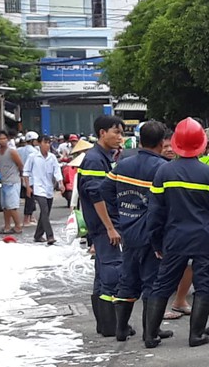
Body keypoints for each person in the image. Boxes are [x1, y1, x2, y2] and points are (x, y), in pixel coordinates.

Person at [141, 118, 209, 349]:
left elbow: (155, 213)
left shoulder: (163, 173)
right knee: (205, 286)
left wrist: (157, 242)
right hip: (206, 240)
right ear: (202, 144)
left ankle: (150, 336)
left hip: (173, 239)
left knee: (162, 285)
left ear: (176, 143)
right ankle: (196, 335)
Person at [109, 121, 175, 344]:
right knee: (152, 284)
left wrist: (117, 218)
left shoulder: (123, 164)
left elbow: (103, 190)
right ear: (160, 143)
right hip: (151, 236)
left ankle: (121, 330)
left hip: (128, 233)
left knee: (128, 281)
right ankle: (151, 333)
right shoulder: (162, 168)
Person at [75, 115, 125, 334]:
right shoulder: (95, 159)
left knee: (102, 274)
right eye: (116, 132)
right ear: (102, 133)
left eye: (122, 133)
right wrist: (109, 227)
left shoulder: (103, 157)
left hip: (102, 226)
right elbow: (97, 196)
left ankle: (105, 325)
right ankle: (111, 326)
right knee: (111, 274)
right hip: (105, 226)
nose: (120, 137)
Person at [23, 132, 64, 244]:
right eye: (45, 142)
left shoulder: (52, 158)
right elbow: (26, 172)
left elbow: (57, 171)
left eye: (49, 143)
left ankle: (38, 235)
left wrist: (61, 183)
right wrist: (28, 187)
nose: (47, 145)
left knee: (45, 213)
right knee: (44, 210)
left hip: (49, 188)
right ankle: (50, 235)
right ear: (39, 143)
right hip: (38, 187)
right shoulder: (33, 157)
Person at [0, 130, 26, 234]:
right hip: (4, 181)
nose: (2, 141)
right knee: (5, 207)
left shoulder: (12, 151)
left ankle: (18, 226)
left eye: (4, 138)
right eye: (0, 139)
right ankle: (7, 226)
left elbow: (20, 165)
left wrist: (21, 176)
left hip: (13, 181)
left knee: (12, 206)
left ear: (7, 139)